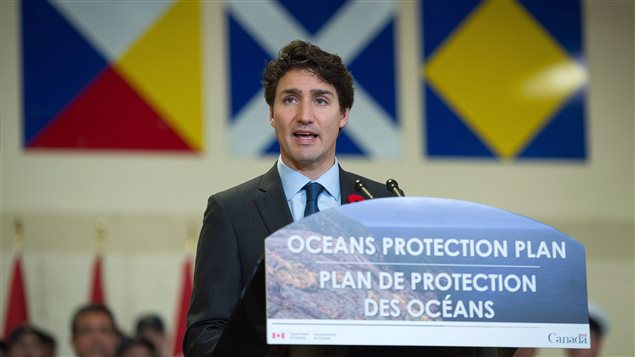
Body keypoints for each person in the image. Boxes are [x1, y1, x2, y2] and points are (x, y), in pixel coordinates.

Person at [184, 40, 396, 355]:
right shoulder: (230, 211)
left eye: (321, 100)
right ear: (272, 114)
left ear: (343, 115)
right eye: (290, 99)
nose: (304, 116)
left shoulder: (382, 204)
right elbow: (204, 335)